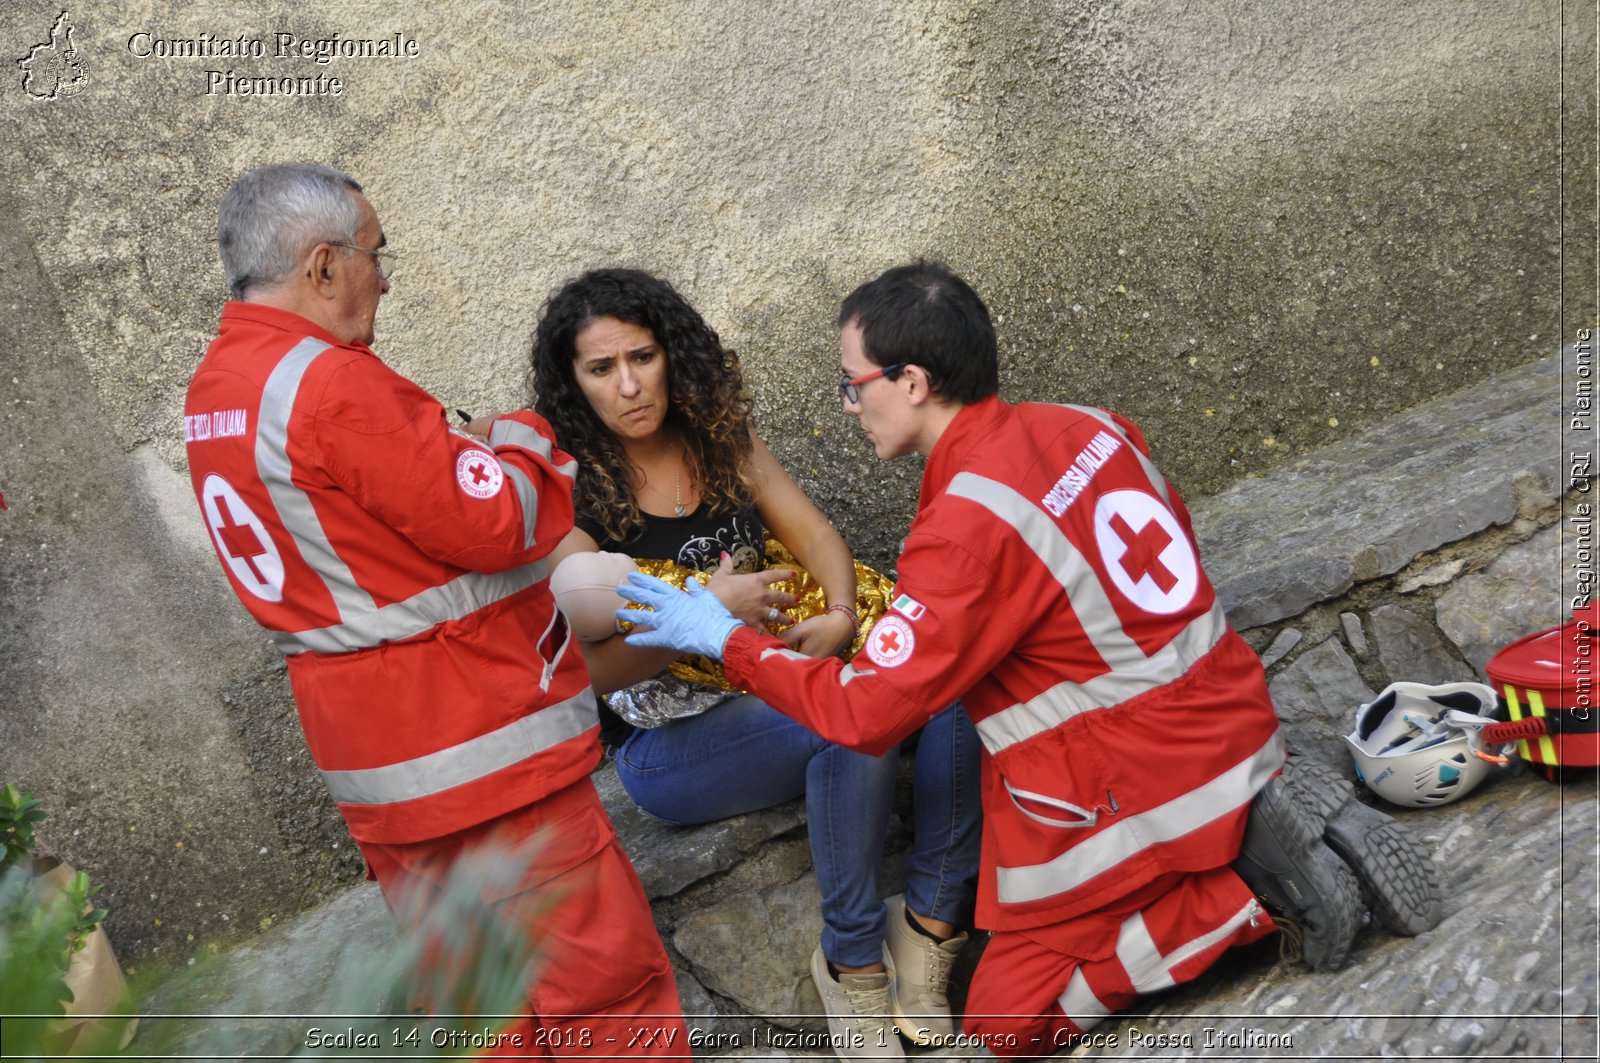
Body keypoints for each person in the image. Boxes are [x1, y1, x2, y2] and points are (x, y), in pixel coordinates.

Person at [616, 261, 1402, 1055]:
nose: (850, 404)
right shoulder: (1091, 424)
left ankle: (1245, 894)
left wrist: (723, 640)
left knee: (1004, 1023)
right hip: (1236, 724)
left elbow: (861, 711)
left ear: (913, 381)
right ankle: (1265, 834)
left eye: (853, 384)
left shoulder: (966, 524)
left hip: (1131, 791)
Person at [183, 164, 685, 1055]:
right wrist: (525, 441)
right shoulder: (331, 384)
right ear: (325, 264)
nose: (386, 275)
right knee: (608, 994)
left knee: (484, 1017)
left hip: (378, 764)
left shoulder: (217, 392)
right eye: (378, 255)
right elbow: (501, 521)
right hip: (479, 750)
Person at [530, 268, 982, 1059]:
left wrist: (841, 616)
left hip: (773, 674)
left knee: (950, 673)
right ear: (572, 381)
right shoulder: (566, 495)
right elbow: (591, 672)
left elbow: (814, 536)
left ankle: (929, 924)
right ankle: (851, 959)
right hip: (672, 746)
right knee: (841, 720)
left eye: (643, 356)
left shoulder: (715, 432)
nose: (630, 385)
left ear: (672, 352)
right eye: (601, 369)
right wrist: (706, 620)